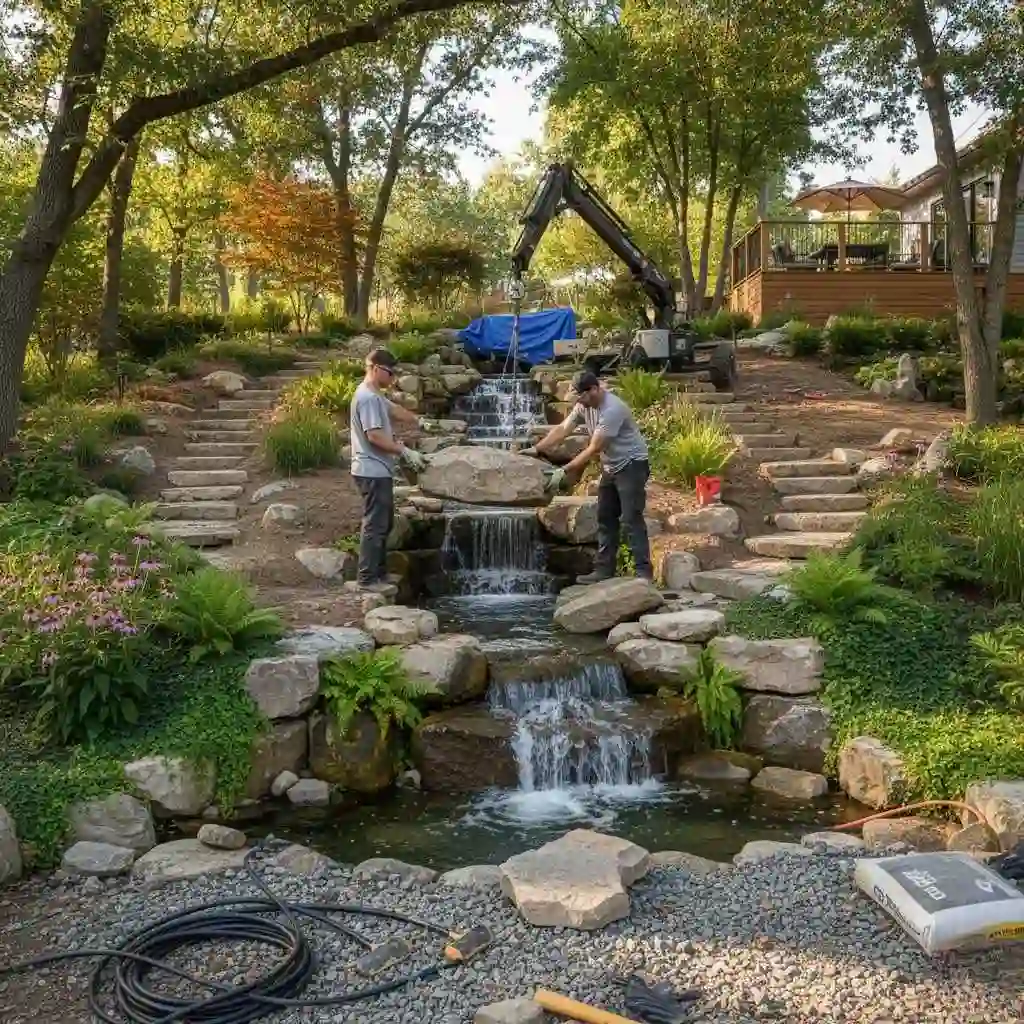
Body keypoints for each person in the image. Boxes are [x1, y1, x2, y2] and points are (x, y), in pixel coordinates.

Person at [526, 370, 652, 583]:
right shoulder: (583, 404)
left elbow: (594, 449)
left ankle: (644, 574)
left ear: (594, 389)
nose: (580, 402)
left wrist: (564, 470)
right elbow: (563, 429)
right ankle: (604, 571)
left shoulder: (612, 409)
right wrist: (537, 449)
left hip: (632, 466)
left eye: (582, 396)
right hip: (611, 466)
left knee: (631, 519)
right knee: (604, 517)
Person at [350, 348, 428, 589]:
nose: (392, 379)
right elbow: (373, 436)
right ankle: (367, 578)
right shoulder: (368, 398)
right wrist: (403, 451)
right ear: (374, 368)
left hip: (377, 469)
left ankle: (379, 574)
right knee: (375, 524)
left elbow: (394, 409)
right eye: (389, 373)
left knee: (384, 523)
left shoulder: (375, 395)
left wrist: (418, 420)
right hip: (371, 470)